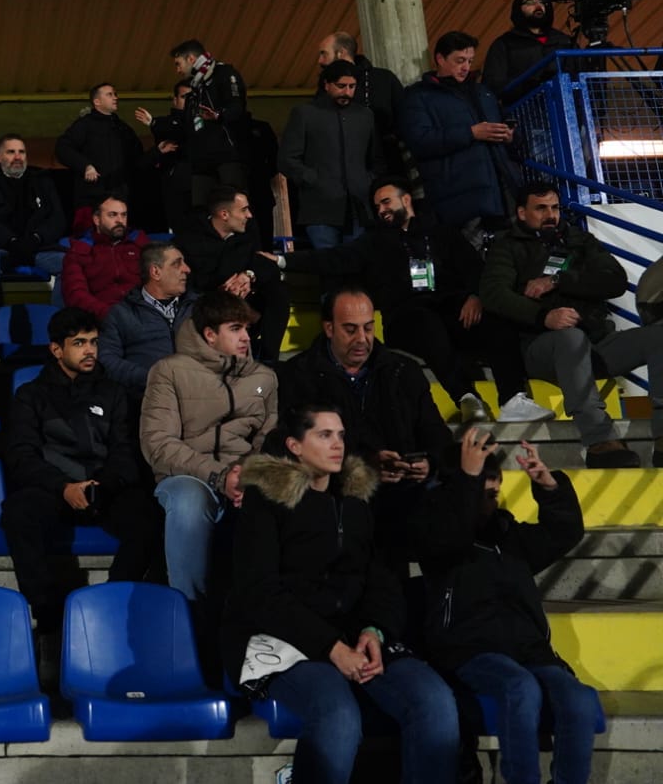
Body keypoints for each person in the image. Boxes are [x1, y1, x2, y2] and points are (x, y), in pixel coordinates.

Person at [225, 407, 459, 784]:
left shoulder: (357, 499)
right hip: (285, 638)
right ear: (294, 445)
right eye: (325, 435)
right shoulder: (265, 500)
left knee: (433, 701)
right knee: (336, 712)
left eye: (341, 435)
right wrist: (331, 647)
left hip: (353, 635)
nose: (338, 444)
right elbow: (260, 593)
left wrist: (374, 631)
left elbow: (380, 578)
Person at [265, 178, 550, 423]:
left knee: (496, 321)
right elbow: (332, 259)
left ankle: (513, 400)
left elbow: (476, 269)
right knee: (426, 324)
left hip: (452, 309)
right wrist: (281, 260)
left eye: (386, 202)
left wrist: (475, 296)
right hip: (405, 317)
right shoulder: (373, 242)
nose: (382, 210)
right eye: (377, 206)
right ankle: (466, 397)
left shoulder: (442, 233)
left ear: (406, 199)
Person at [414, 428, 600, 784]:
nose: (493, 497)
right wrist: (467, 480)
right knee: (520, 687)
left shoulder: (509, 537)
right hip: (469, 652)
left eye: (495, 490)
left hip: (529, 651)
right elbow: (451, 531)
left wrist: (548, 487)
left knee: (578, 699)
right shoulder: (437, 535)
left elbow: (564, 533)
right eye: (483, 489)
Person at [0, 306, 163, 667]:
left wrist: (100, 486)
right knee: (18, 512)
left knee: (150, 515)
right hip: (54, 489)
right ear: (57, 349)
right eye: (79, 343)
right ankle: (50, 617)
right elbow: (22, 456)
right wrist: (64, 487)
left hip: (105, 488)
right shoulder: (31, 395)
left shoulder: (115, 392)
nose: (90, 350)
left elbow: (125, 452)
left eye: (93, 342)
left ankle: (114, 603)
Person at [480, 183, 660, 469]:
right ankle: (599, 440)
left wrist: (559, 280)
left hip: (597, 343)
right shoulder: (507, 247)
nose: (550, 215)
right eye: (541, 208)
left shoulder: (579, 240)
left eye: (554, 207)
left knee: (659, 334)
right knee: (569, 336)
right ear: (522, 213)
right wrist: (544, 317)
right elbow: (493, 294)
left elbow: (614, 280)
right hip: (541, 347)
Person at [275, 288, 451, 562]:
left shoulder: (403, 370)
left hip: (404, 494)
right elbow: (293, 447)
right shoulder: (298, 375)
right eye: (350, 329)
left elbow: (436, 433)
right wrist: (366, 465)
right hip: (335, 494)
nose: (362, 339)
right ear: (329, 328)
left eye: (368, 328)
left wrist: (428, 462)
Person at [141, 291, 277, 604]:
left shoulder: (265, 377)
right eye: (235, 329)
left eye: (247, 330)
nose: (246, 338)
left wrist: (245, 475)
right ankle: (188, 611)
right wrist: (219, 477)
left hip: (244, 478)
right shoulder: (169, 371)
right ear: (210, 334)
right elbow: (158, 443)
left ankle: (263, 610)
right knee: (190, 499)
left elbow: (267, 440)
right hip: (186, 476)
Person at [399, 31, 518, 234]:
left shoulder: (483, 92)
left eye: (470, 61)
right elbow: (420, 141)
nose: (466, 67)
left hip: (504, 194)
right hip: (460, 200)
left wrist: (509, 137)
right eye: (460, 60)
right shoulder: (418, 97)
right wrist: (471, 133)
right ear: (440, 59)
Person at [178, 186, 288, 361]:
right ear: (224, 214)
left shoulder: (248, 231)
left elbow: (264, 262)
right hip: (206, 300)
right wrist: (227, 285)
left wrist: (248, 276)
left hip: (243, 298)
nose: (249, 215)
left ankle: (269, 359)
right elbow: (196, 278)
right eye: (244, 210)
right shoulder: (191, 237)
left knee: (276, 290)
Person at [278, 61, 377, 249]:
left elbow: (375, 158)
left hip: (358, 206)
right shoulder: (305, 114)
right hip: (320, 208)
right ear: (326, 85)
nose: (347, 92)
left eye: (352, 86)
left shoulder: (365, 116)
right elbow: (287, 159)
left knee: (356, 266)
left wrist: (367, 181)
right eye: (341, 86)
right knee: (329, 266)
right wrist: (313, 179)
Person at [0, 134, 67, 299]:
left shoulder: (43, 181)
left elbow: (58, 219)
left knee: (69, 264)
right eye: (11, 152)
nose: (17, 157)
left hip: (37, 247)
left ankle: (59, 319)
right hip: (0, 249)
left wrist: (37, 238)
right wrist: (11, 241)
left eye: (21, 152)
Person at [97, 240, 197, 398]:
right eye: (177, 264)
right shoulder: (121, 313)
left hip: (198, 395)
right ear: (156, 272)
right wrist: (152, 377)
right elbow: (107, 359)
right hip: (146, 397)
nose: (187, 269)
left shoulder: (199, 308)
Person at [171, 40, 249, 207]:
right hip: (202, 159)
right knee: (201, 209)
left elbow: (237, 107)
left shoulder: (224, 73)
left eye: (179, 64)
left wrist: (218, 115)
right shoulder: (195, 85)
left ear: (191, 58)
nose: (177, 70)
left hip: (226, 155)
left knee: (232, 205)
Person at [315, 31, 404, 176]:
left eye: (324, 53)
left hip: (388, 168)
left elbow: (404, 119)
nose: (320, 61)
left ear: (341, 53)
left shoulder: (383, 79)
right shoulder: (325, 89)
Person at [56, 82, 145, 219]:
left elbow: (138, 156)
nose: (115, 97)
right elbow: (62, 148)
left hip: (119, 198)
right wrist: (85, 166)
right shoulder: (84, 124)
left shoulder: (122, 128)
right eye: (110, 94)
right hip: (91, 197)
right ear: (97, 101)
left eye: (115, 94)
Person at [482, 0, 576, 106]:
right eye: (530, 2)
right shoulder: (505, 43)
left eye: (542, 2)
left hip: (565, 109)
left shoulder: (565, 41)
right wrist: (528, 86)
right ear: (518, 10)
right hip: (524, 113)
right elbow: (492, 85)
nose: (538, 5)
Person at [60, 195, 149, 318]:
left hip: (143, 315)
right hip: (101, 319)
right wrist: (110, 315)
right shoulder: (79, 252)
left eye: (124, 215)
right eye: (112, 215)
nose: (120, 220)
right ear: (97, 219)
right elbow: (76, 295)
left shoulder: (140, 245)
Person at [134, 80, 194, 230]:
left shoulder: (206, 123)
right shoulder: (163, 123)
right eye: (184, 97)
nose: (189, 102)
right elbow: (173, 131)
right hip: (173, 189)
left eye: (193, 97)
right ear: (175, 100)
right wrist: (153, 123)